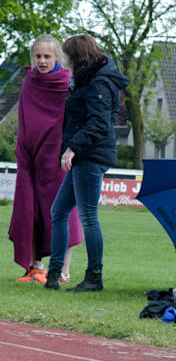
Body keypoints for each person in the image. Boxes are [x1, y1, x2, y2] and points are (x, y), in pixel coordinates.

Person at [45, 34, 128, 292]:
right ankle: (54, 273)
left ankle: (94, 276)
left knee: (88, 217)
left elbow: (99, 123)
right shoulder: (88, 80)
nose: (68, 63)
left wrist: (71, 149)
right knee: (59, 212)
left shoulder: (98, 84)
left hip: (91, 156)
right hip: (84, 155)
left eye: (70, 58)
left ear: (80, 58)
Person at [9, 34, 82, 285]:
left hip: (58, 157)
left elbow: (74, 120)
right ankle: (35, 267)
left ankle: (62, 270)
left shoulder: (67, 83)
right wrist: (24, 152)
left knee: (62, 213)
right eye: (38, 56)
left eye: (47, 56)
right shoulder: (29, 82)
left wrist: (70, 149)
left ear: (57, 57)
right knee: (29, 209)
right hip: (30, 156)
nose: (42, 61)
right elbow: (24, 119)